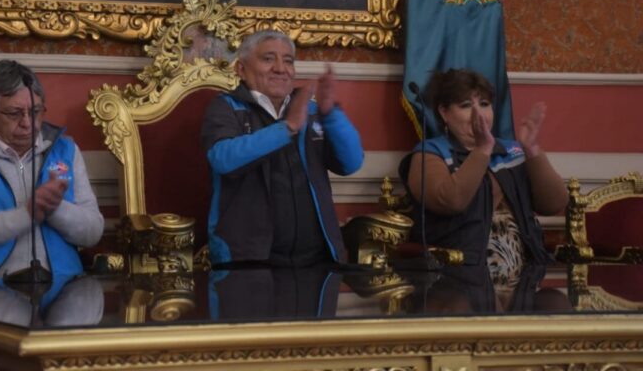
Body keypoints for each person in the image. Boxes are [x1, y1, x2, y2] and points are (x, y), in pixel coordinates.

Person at [201, 30, 364, 268]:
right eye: (268, 59)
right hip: (247, 259)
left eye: (288, 61)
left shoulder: (309, 109)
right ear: (241, 69)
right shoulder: (226, 107)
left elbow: (351, 163)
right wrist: (286, 128)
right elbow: (223, 159)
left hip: (316, 257)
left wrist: (331, 115)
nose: (280, 68)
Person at [0, 60, 104, 278]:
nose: (27, 123)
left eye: (35, 111)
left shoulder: (64, 150)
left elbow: (93, 232)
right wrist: (24, 216)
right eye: (14, 113)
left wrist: (54, 208)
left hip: (63, 285)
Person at [398, 68, 568, 280]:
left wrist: (533, 150)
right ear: (444, 112)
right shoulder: (430, 153)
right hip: (458, 275)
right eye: (466, 105)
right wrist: (482, 150)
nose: (478, 113)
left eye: (484, 104)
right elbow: (450, 201)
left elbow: (554, 204)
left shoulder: (512, 151)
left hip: (526, 272)